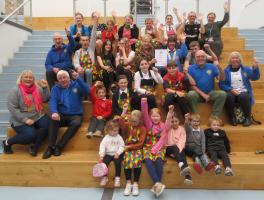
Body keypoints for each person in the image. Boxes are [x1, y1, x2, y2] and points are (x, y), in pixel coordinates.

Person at [42, 70, 89, 159]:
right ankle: (50, 147)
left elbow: (87, 91)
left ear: (68, 78)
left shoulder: (76, 84)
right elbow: (53, 101)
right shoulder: (55, 88)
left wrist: (78, 78)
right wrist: (54, 112)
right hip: (62, 115)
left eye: (64, 77)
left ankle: (59, 146)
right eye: (60, 78)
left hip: (76, 115)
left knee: (76, 123)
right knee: (53, 120)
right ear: (57, 80)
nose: (62, 80)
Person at [4, 70, 50, 156]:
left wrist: (44, 88)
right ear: (21, 78)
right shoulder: (15, 91)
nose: (28, 79)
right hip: (20, 119)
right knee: (30, 136)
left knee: (48, 125)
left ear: (33, 79)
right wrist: (25, 120)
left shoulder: (38, 89)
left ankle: (35, 147)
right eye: (26, 77)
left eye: (30, 77)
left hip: (37, 116)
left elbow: (45, 99)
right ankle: (7, 142)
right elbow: (12, 108)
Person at [141, 98, 174, 197]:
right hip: (148, 147)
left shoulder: (164, 126)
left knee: (159, 160)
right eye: (153, 116)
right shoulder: (148, 124)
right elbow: (144, 113)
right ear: (150, 117)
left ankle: (157, 185)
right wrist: (144, 102)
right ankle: (158, 183)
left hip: (159, 147)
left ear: (160, 117)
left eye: (157, 116)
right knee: (148, 160)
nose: (155, 118)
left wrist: (171, 111)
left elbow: (168, 121)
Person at [219, 52, 260, 126]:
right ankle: (232, 118)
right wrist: (231, 89)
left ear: (240, 59)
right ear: (230, 60)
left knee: (243, 96)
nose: (235, 59)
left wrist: (255, 68)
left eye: (237, 58)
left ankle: (247, 118)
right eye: (233, 58)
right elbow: (221, 84)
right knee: (229, 96)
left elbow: (255, 77)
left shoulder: (246, 69)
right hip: (231, 92)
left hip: (243, 92)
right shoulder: (225, 71)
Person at [152, 111, 193, 184]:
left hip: (178, 150)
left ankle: (187, 175)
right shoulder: (167, 128)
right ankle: (181, 164)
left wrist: (178, 151)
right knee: (175, 147)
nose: (174, 123)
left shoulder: (182, 129)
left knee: (182, 153)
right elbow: (167, 122)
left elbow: (182, 141)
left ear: (179, 121)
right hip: (168, 148)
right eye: (172, 121)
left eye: (176, 121)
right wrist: (170, 113)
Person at [186, 50, 226, 117]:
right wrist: (203, 95)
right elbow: (191, 85)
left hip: (210, 93)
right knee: (190, 94)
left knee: (222, 94)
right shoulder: (190, 68)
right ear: (195, 58)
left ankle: (215, 117)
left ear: (206, 57)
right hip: (197, 94)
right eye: (198, 57)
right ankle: (196, 117)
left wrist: (220, 68)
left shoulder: (212, 66)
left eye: (202, 56)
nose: (200, 58)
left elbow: (221, 79)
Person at [117, 108, 146, 197]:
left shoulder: (142, 128)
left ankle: (135, 184)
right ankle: (128, 183)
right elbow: (119, 123)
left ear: (140, 120)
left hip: (136, 148)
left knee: (137, 160)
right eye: (132, 121)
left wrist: (130, 147)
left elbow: (140, 143)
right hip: (126, 148)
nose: (133, 123)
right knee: (127, 160)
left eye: (135, 122)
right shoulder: (127, 125)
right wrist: (124, 112)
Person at [73, 12, 98, 88]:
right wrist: (78, 67)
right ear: (80, 42)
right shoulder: (77, 52)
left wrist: (95, 22)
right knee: (80, 71)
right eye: (83, 40)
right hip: (81, 70)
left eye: (87, 40)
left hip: (91, 70)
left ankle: (88, 91)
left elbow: (93, 35)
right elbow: (76, 62)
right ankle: (81, 91)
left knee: (87, 71)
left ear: (89, 41)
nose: (85, 42)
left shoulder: (91, 48)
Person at [98, 119, 125, 187]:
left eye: (117, 130)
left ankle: (117, 178)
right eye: (115, 130)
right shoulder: (106, 138)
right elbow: (102, 146)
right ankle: (104, 177)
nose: (117, 132)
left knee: (118, 162)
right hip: (108, 154)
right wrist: (101, 155)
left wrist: (118, 153)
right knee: (104, 163)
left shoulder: (119, 137)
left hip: (117, 154)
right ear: (109, 130)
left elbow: (122, 146)